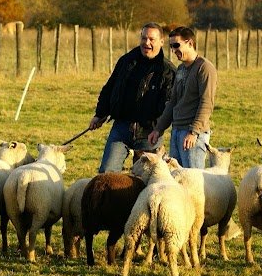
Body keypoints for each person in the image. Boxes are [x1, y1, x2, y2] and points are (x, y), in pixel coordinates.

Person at [88, 22, 175, 173]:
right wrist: (100, 114)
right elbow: (110, 88)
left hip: (150, 133)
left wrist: (158, 128)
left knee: (147, 178)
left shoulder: (168, 71)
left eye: (151, 39)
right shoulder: (126, 61)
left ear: (161, 42)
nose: (146, 43)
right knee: (107, 173)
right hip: (121, 128)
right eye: (143, 38)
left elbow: (169, 106)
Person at [148, 26, 217, 168]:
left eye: (176, 45)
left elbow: (206, 102)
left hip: (192, 135)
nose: (173, 50)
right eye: (171, 46)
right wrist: (158, 129)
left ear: (190, 43)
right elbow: (173, 102)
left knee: (192, 181)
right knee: (177, 179)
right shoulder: (180, 69)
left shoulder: (204, 68)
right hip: (177, 131)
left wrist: (194, 132)